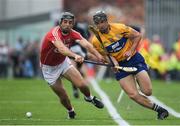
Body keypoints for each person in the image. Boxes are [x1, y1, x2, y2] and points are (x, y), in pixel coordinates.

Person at [91, 11, 169, 120]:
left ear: (106, 21)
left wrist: (131, 50)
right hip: (121, 66)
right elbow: (106, 55)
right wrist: (114, 63)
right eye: (97, 23)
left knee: (147, 91)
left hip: (133, 59)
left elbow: (137, 35)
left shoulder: (119, 28)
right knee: (133, 95)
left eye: (102, 22)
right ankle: (160, 110)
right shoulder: (96, 40)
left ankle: (138, 78)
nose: (100, 25)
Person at [40, 12, 104, 119]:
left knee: (82, 84)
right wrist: (75, 56)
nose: (68, 24)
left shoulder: (73, 33)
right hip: (49, 69)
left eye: (70, 22)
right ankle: (70, 110)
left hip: (63, 63)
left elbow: (86, 44)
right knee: (63, 95)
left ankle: (89, 98)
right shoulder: (54, 33)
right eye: (65, 22)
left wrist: (98, 55)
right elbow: (62, 49)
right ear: (60, 22)